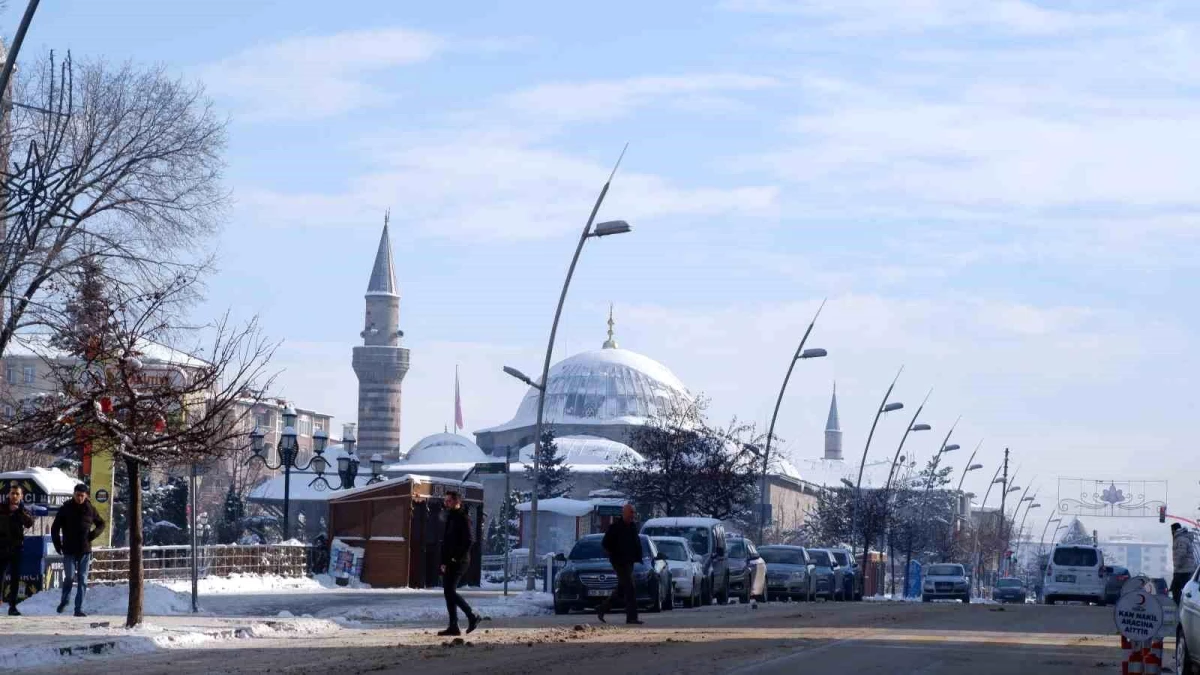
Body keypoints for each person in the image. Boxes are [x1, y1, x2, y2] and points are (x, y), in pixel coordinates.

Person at [52, 484, 106, 617]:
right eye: (77, 495)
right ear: (74, 494)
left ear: (86, 495)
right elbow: (55, 527)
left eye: (82, 495)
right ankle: (64, 601)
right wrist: (57, 544)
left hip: (85, 550)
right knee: (69, 577)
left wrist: (93, 534)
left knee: (82, 579)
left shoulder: (90, 509)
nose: (80, 498)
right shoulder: (66, 508)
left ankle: (78, 608)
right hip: (69, 549)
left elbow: (101, 523)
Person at [439, 490, 479, 637]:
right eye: (445, 501)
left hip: (460, 561)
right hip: (450, 561)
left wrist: (456, 558)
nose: (446, 503)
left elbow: (470, 540)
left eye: (449, 501)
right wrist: (444, 562)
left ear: (457, 502)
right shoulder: (450, 517)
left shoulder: (463, 518)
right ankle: (453, 626)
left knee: (449, 591)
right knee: (448, 592)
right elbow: (447, 542)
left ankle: (472, 615)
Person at [597, 503, 644, 625]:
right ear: (624, 513)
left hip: (629, 561)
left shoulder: (633, 527)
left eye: (633, 513)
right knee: (630, 587)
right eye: (630, 513)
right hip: (619, 562)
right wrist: (613, 554)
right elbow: (605, 543)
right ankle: (632, 617)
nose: (632, 515)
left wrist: (638, 555)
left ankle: (603, 608)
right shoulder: (615, 527)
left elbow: (636, 543)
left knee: (622, 589)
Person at [0, 484, 34, 616]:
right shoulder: (2, 507)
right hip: (1, 547)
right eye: (12, 493)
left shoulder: (23, 509)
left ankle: (12, 606)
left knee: (15, 578)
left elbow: (29, 523)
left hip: (16, 548)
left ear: (21, 496)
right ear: (8, 494)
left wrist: (19, 512)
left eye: (17, 494)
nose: (14, 496)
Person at [1171, 522, 1197, 605]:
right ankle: (1178, 606)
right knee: (1177, 589)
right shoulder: (1180, 538)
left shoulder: (1180, 539)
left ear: (1174, 530)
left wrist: (1177, 565)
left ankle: (1179, 607)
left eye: (1172, 530)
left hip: (1183, 571)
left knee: (1178, 590)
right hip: (1183, 570)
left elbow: (1181, 553)